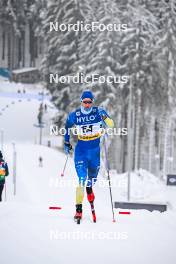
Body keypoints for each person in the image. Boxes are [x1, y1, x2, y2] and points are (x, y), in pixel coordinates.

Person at [64, 90, 114, 221]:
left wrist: (105, 119)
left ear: (92, 102)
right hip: (81, 151)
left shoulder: (98, 112)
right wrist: (66, 142)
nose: (87, 105)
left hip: (95, 152)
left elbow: (111, 124)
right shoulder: (75, 115)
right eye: (85, 102)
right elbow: (67, 126)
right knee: (81, 179)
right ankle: (78, 210)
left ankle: (89, 188)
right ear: (81, 101)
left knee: (91, 180)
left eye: (89, 102)